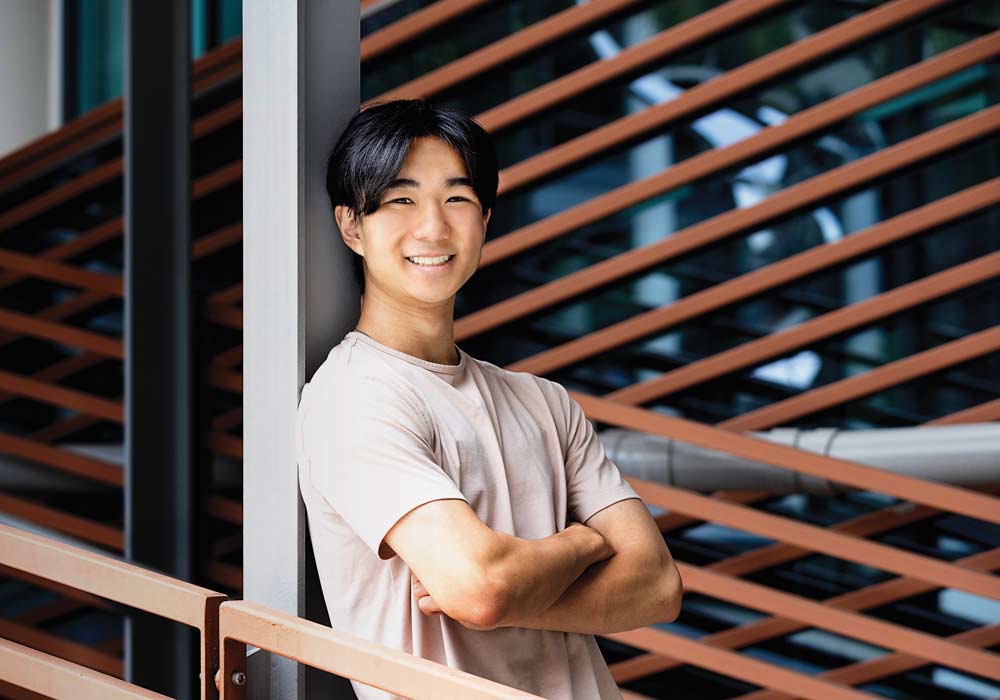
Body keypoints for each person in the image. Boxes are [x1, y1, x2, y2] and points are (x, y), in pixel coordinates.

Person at [295, 99, 682, 700]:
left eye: (456, 198)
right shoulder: (351, 396)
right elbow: (481, 588)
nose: (432, 227)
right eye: (401, 200)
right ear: (351, 226)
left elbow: (657, 586)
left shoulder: (545, 402)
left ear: (485, 219)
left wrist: (508, 591)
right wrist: (581, 544)